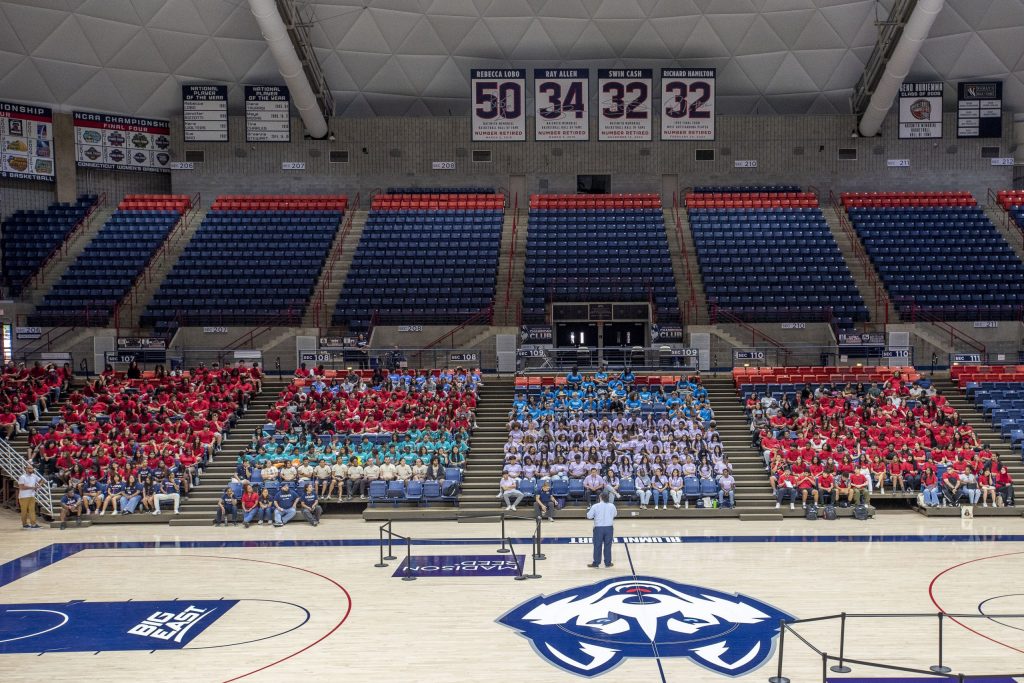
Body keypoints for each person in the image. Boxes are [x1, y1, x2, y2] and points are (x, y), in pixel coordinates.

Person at [586, 492, 616, 568]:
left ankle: (596, 563)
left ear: (600, 497)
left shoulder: (595, 506)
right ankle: (608, 563)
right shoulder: (612, 506)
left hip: (598, 528)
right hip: (609, 528)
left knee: (597, 546)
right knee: (608, 546)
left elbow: (589, 516)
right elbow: (615, 514)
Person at [17, 463, 42, 529]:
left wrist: (39, 485)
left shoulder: (34, 476)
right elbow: (21, 487)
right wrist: (32, 487)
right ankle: (24, 524)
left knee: (32, 510)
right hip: (23, 496)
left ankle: (33, 524)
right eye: (29, 468)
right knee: (24, 511)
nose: (31, 469)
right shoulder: (22, 477)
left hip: (32, 495)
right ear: (26, 469)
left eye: (31, 468)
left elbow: (42, 480)